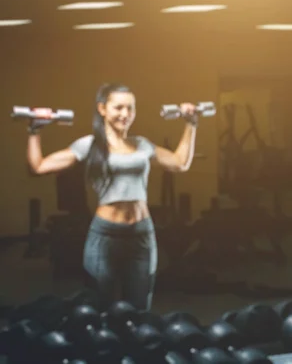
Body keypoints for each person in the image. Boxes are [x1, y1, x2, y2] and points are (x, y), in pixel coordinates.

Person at [27, 83, 199, 311]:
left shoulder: (142, 145)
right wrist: (34, 130)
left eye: (130, 108)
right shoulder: (89, 145)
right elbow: (38, 166)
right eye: (118, 108)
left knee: (140, 309)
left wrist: (191, 123)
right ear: (102, 109)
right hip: (105, 236)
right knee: (99, 310)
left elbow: (180, 163)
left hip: (142, 235)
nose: (125, 114)